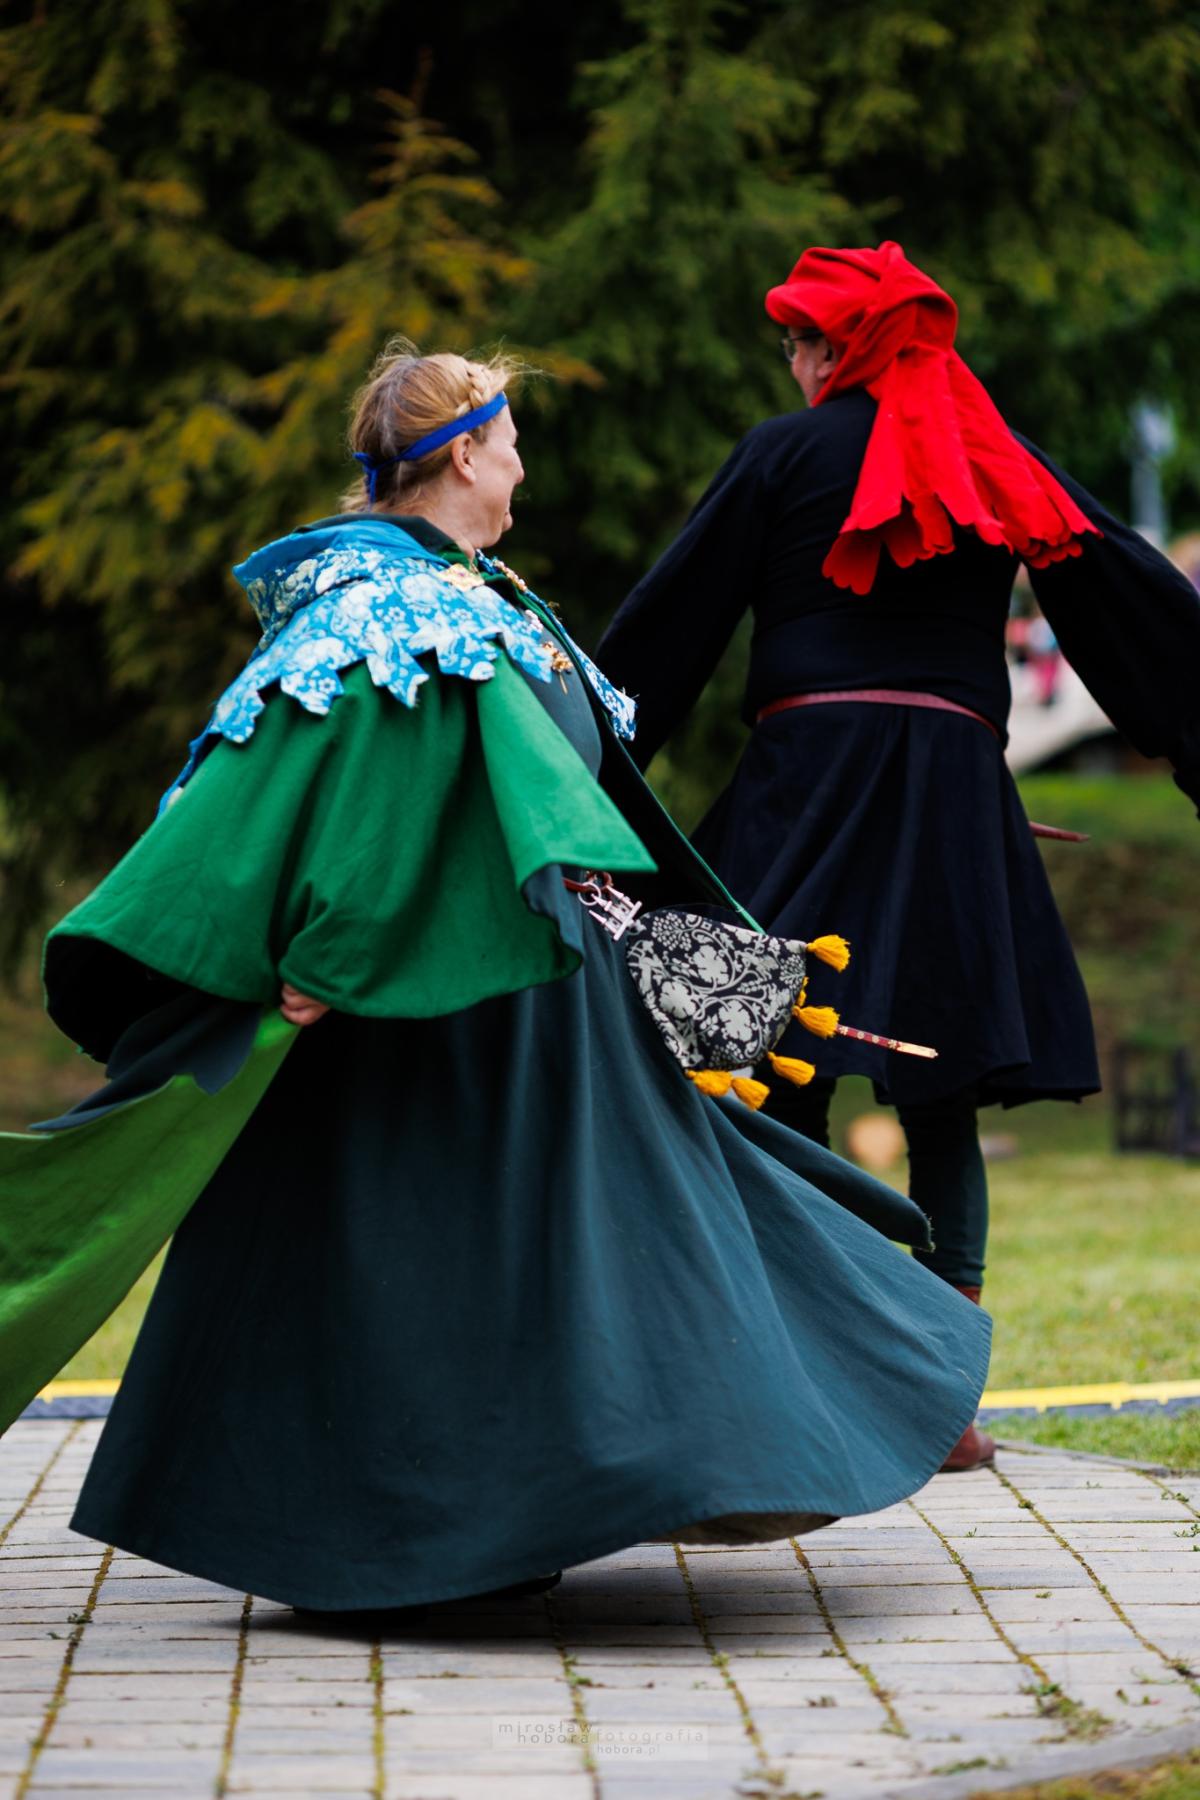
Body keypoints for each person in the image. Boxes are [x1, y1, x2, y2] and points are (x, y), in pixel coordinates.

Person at [0, 341, 990, 1613]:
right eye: (511, 444)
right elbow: (347, 792)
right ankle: (434, 1540)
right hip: (439, 1013)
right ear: (464, 453)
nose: (523, 468)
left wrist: (660, 941)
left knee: (592, 1258)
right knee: (452, 1272)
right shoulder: (390, 606)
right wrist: (328, 961)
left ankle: (556, 1508)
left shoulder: (476, 594)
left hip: (536, 1002)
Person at [597, 243, 1200, 1473]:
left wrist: (583, 785)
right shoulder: (991, 451)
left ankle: (823, 1376)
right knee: (942, 1090)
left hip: (811, 783)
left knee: (782, 1065)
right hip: (949, 792)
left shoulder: (781, 453)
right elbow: (1118, 591)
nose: (794, 368)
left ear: (836, 348)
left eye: (798, 346)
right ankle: (944, 1404)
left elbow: (673, 623)